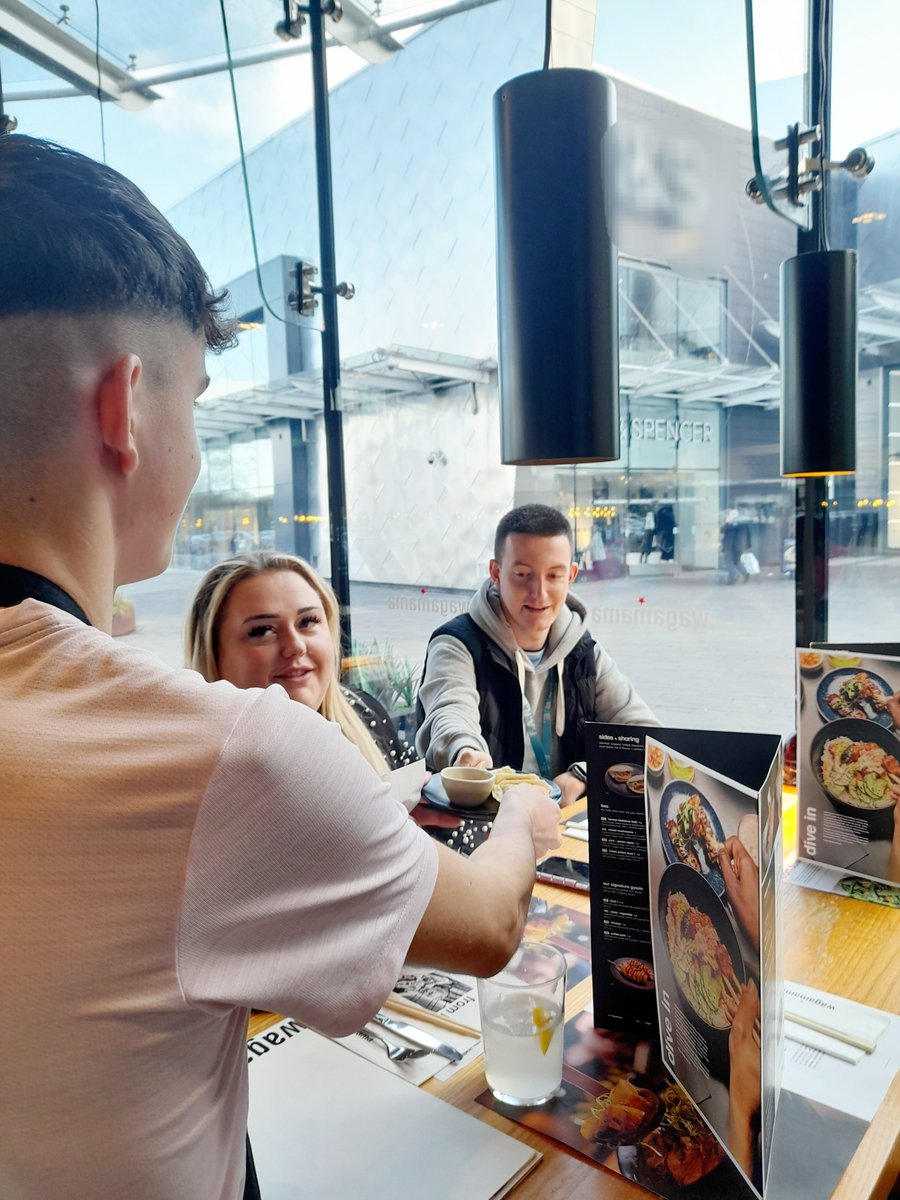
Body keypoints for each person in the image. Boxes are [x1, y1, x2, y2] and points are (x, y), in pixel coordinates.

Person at [0, 134, 561, 1200]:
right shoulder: (211, 753)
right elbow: (487, 929)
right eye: (197, 401)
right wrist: (531, 819)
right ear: (125, 408)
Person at [415, 504, 657, 807]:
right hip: (487, 832)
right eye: (522, 575)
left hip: (558, 828)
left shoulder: (584, 653)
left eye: (554, 576)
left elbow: (647, 737)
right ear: (496, 573)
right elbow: (449, 712)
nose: (539, 593)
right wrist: (464, 752)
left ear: (570, 576)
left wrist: (585, 774)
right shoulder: (457, 644)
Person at [186, 551, 414, 774]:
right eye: (262, 630)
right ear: (213, 654)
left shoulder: (364, 712)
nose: (296, 646)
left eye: (307, 621)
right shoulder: (201, 774)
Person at [721, 508, 751, 584]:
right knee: (736, 561)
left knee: (728, 561)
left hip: (731, 546)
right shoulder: (742, 524)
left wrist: (727, 522)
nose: (728, 516)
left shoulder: (734, 524)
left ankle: (733, 576)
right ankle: (745, 574)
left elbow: (723, 530)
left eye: (730, 515)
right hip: (738, 546)